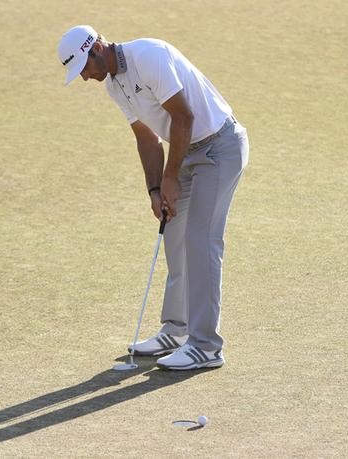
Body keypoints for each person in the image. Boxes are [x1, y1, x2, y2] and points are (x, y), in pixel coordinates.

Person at [58, 25, 249, 370]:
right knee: (175, 236)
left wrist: (172, 176)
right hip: (187, 151)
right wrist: (156, 189)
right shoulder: (114, 86)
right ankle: (177, 330)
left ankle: (206, 345)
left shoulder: (149, 56)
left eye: (84, 67)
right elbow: (146, 138)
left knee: (201, 240)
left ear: (97, 47)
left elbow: (183, 116)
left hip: (220, 147)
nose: (85, 78)